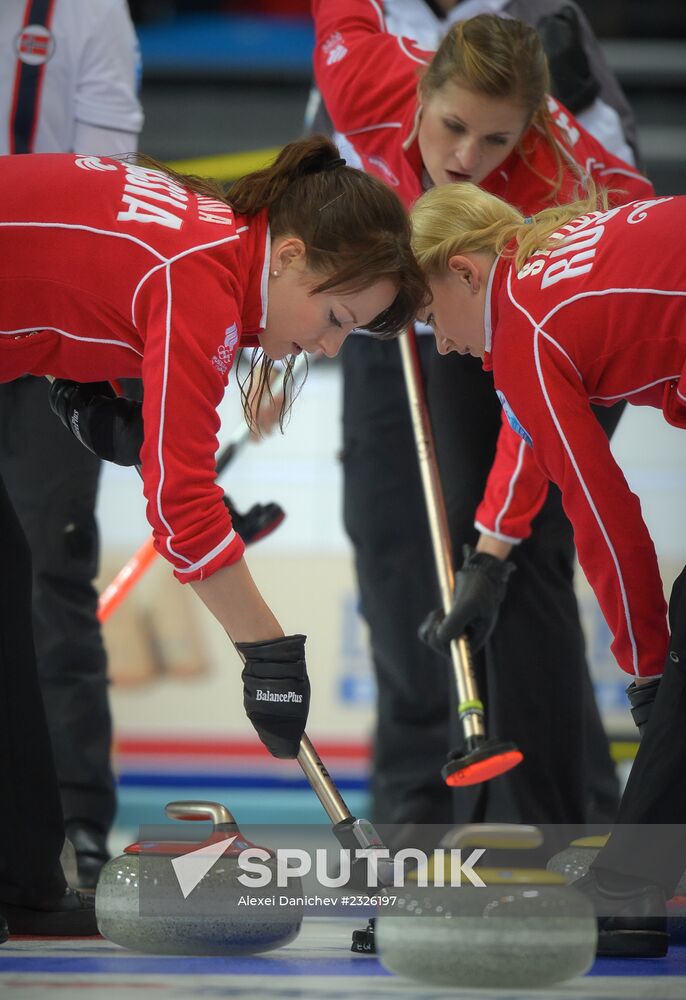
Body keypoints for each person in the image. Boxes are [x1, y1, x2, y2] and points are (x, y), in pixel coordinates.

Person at [0, 136, 427, 937]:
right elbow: (182, 508)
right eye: (334, 317)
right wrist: (268, 653)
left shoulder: (217, 242)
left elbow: (51, 253)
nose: (329, 347)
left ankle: (22, 880)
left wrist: (76, 387)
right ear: (290, 254)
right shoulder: (200, 271)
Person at [313, 0, 654, 836]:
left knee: (518, 544)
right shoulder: (363, 76)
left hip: (551, 313)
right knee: (396, 534)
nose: (464, 159)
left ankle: (552, 823)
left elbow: (536, 417)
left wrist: (495, 545)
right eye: (451, 128)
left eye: (494, 140)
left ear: (530, 130)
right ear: (420, 90)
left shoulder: (554, 188)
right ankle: (421, 816)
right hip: (426, 282)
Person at [410, 181, 686, 956]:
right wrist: (488, 563)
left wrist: (647, 674)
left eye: (431, 316)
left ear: (465, 272)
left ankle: (629, 884)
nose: (439, 344)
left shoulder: (525, 323)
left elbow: (605, 518)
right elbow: (528, 435)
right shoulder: (542, 267)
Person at [0, 0, 143, 889]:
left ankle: (72, 825)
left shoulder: (89, 9)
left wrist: (88, 353)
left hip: (51, 311)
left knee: (53, 565)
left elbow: (107, 170)